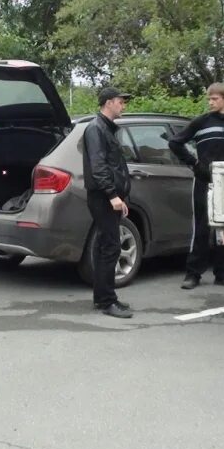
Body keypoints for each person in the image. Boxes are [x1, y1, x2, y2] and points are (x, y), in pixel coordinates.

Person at [169, 82, 224, 291]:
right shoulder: (201, 122)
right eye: (209, 99)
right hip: (204, 181)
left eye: (215, 99)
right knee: (201, 226)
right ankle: (193, 273)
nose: (211, 102)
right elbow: (175, 142)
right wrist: (194, 164)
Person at [82, 87, 134, 319]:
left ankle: (103, 297)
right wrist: (112, 195)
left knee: (107, 245)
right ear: (109, 103)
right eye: (121, 102)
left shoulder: (107, 129)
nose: (123, 106)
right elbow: (99, 166)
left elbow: (112, 166)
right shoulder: (96, 128)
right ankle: (106, 301)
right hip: (102, 197)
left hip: (109, 196)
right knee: (110, 246)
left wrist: (120, 197)